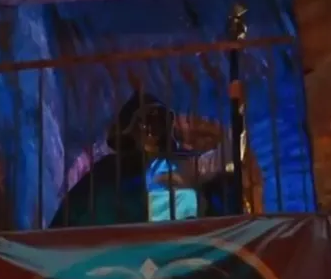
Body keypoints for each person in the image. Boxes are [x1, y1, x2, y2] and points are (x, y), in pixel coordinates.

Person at [48, 93, 237, 228]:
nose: (151, 130)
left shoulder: (184, 162)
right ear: (130, 130)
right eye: (144, 122)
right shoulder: (110, 171)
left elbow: (224, 158)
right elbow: (78, 212)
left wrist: (236, 117)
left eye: (158, 121)